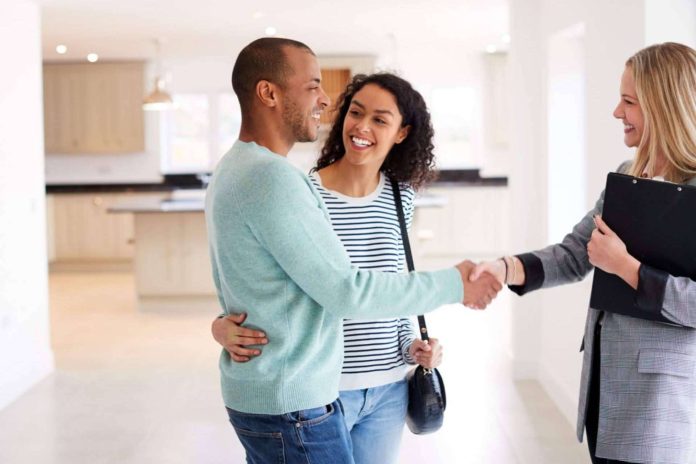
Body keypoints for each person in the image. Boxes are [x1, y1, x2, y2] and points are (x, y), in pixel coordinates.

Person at [206, 37, 501, 464]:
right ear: (268, 93)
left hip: (324, 391)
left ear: (401, 133)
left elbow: (260, 276)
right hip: (300, 398)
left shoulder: (241, 167)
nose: (326, 101)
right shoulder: (280, 180)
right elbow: (346, 290)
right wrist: (455, 283)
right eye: (313, 86)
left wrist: (412, 342)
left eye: (380, 119)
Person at [471, 42, 696, 464]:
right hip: (604, 390)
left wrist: (628, 268)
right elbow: (575, 253)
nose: (616, 112)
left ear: (663, 106)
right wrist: (505, 268)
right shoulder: (628, 175)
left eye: (629, 101)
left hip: (659, 404)